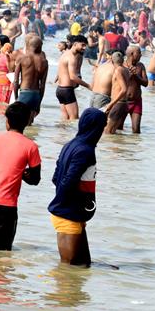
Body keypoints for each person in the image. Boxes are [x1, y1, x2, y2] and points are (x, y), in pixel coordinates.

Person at [0, 102, 41, 250]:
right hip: (6, 206)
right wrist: (23, 174)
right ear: (27, 121)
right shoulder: (31, 147)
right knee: (3, 251)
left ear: (7, 121)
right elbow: (35, 180)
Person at [48, 108, 106, 266]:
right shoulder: (85, 151)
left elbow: (56, 178)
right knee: (68, 272)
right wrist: (69, 208)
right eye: (103, 127)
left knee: (83, 266)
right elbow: (67, 182)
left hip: (74, 214)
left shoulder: (70, 145)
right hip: (68, 215)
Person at [12, 35, 48, 124]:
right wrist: (39, 102)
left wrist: (16, 98)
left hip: (24, 93)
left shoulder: (22, 58)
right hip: (36, 95)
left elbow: (16, 81)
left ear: (29, 45)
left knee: (19, 123)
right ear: (39, 46)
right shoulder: (44, 61)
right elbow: (42, 85)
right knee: (30, 123)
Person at [56, 35, 91, 120]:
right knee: (74, 118)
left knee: (65, 118)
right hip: (67, 90)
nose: (84, 48)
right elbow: (72, 77)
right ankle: (70, 133)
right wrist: (88, 86)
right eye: (82, 45)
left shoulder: (65, 54)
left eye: (85, 45)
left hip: (60, 89)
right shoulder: (72, 57)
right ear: (75, 44)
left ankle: (62, 133)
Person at [102, 52, 130, 134]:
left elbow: (124, 89)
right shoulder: (126, 70)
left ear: (111, 61)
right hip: (123, 104)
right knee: (113, 132)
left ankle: (107, 147)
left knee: (107, 132)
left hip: (118, 103)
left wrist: (111, 104)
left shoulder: (118, 70)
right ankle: (115, 147)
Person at [124, 46, 148, 133]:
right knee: (118, 128)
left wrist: (135, 75)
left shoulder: (140, 66)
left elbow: (146, 83)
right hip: (123, 102)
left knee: (136, 130)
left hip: (137, 101)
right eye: (139, 53)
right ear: (132, 54)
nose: (141, 55)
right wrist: (130, 75)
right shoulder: (122, 65)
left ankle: (135, 146)